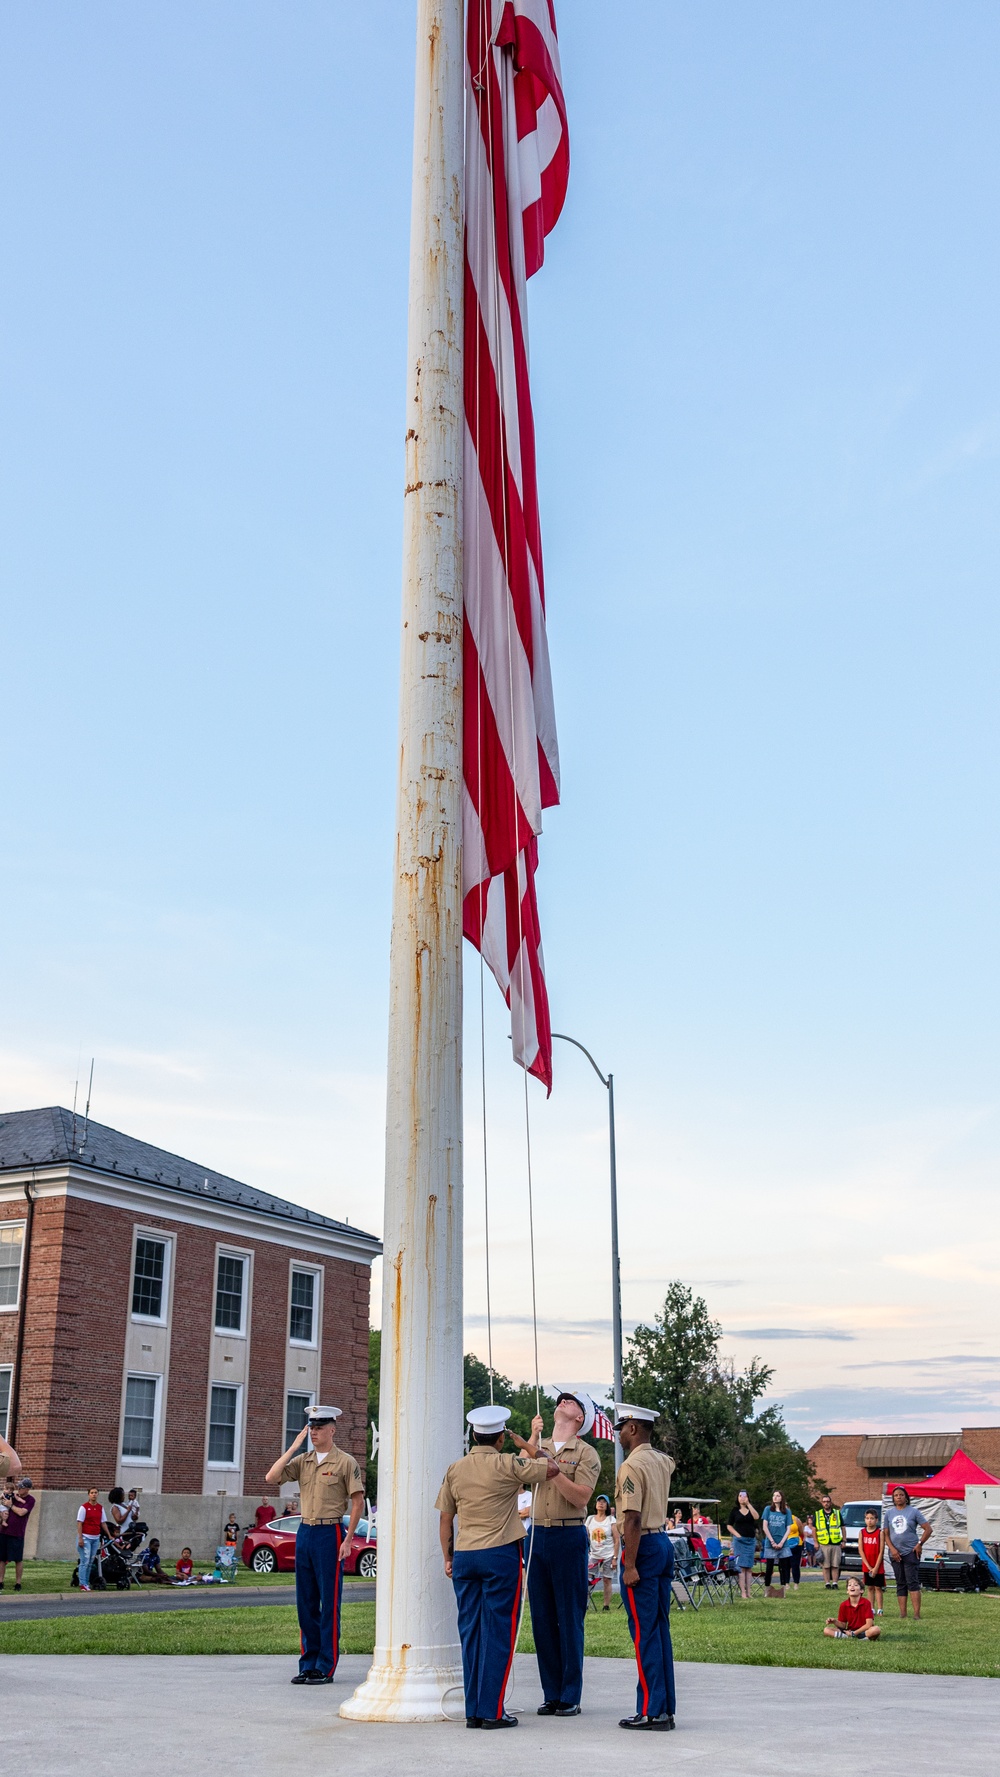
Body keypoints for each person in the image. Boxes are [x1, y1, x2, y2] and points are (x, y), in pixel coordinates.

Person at [436, 1403, 556, 1729]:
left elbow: (446, 1518)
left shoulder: (455, 1468)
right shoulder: (509, 1463)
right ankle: (493, 1710)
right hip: (499, 1553)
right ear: (501, 1437)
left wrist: (448, 1556)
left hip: (464, 1555)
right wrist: (528, 1445)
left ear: (473, 1435)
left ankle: (474, 1710)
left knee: (471, 1633)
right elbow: (552, 1469)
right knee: (498, 1632)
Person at [513, 1387, 601, 1717]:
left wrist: (553, 1469)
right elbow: (517, 1477)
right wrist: (533, 1441)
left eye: (571, 1401)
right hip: (537, 1534)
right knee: (543, 1619)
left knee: (569, 1616)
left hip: (568, 1534)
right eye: (561, 1399)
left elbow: (581, 1498)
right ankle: (551, 1692)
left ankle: (570, 1694)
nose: (563, 1401)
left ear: (580, 1417)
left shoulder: (586, 1452)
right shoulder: (540, 1446)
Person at [265, 1402, 365, 1686]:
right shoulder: (303, 1461)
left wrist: (348, 1539)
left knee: (329, 1601)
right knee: (305, 1602)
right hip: (305, 1532)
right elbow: (272, 1477)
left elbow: (357, 1503)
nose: (314, 1432)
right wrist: (294, 1447)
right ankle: (308, 1663)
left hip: (329, 1532)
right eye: (311, 1427)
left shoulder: (345, 1462)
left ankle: (325, 1665)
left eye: (319, 1428)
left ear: (332, 1430)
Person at [614, 1402, 677, 1732]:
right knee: (659, 1629)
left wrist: (629, 1564)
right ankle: (665, 1707)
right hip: (662, 1542)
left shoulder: (630, 1467)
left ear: (634, 1429)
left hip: (643, 1547)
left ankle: (652, 1710)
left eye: (622, 1428)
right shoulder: (662, 1461)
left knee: (644, 1632)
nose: (619, 1434)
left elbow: (632, 1518)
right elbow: (671, 1462)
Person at [883, 1487, 932, 1620]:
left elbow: (928, 1529)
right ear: (893, 1498)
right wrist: (892, 1549)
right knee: (900, 1582)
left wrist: (919, 1544)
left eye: (901, 1495)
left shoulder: (913, 1512)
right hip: (895, 1553)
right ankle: (903, 1614)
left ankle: (916, 1614)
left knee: (912, 1582)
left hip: (910, 1551)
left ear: (906, 1497)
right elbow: (886, 1534)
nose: (898, 1497)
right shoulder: (889, 1514)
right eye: (896, 1495)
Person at [0, 1478, 35, 1591]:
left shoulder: (30, 1500)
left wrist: (10, 1505)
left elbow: (21, 1512)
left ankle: (18, 1583)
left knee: (18, 1559)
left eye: (22, 1487)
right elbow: (2, 1503)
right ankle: (0, 1581)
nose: (19, 1489)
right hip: (4, 1531)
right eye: (18, 1487)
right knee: (1, 1558)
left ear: (28, 1489)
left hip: (17, 1533)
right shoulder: (11, 1495)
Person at [586, 1495, 620, 1610]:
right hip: (593, 1554)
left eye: (604, 1502)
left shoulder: (611, 1520)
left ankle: (606, 1605)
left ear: (607, 1506)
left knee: (607, 1578)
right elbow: (586, 1537)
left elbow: (616, 1539)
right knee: (587, 1578)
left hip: (608, 1554)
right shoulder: (590, 1519)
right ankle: (585, 1603)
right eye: (599, 1501)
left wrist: (615, 1557)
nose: (601, 1504)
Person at [824, 1574, 881, 1640]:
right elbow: (843, 1625)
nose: (852, 1586)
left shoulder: (866, 1603)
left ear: (861, 1590)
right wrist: (834, 1621)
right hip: (850, 1630)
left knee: (876, 1630)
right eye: (849, 1585)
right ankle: (849, 1637)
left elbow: (869, 1624)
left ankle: (859, 1637)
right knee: (827, 1630)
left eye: (856, 1585)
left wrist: (855, 1633)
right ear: (847, 1591)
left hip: (864, 1630)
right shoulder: (843, 1605)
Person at [726, 1490, 759, 1600]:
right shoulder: (735, 1511)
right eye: (740, 1496)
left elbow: (756, 1517)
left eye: (744, 1496)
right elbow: (729, 1525)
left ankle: (749, 1592)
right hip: (740, 1541)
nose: (742, 1498)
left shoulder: (750, 1510)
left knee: (748, 1567)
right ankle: (743, 1592)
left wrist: (749, 1504)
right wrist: (737, 1535)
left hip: (750, 1540)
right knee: (741, 1567)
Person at [761, 1490, 793, 1597]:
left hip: (783, 1543)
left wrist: (782, 1542)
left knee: (783, 1567)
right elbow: (765, 1526)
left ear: (781, 1498)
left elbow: (788, 1529)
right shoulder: (768, 1510)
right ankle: (767, 1589)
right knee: (769, 1567)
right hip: (770, 1543)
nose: (775, 1497)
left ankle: (783, 1590)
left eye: (778, 1495)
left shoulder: (787, 1512)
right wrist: (772, 1541)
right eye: (773, 1495)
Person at [76, 1487, 109, 1591]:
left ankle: (86, 1581)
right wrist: (80, 1538)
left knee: (91, 1561)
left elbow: (103, 1522)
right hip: (86, 1537)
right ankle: (82, 1583)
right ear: (89, 1495)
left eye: (95, 1493)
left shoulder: (100, 1508)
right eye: (92, 1493)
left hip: (95, 1537)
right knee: (84, 1561)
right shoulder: (84, 1507)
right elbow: (79, 1523)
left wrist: (109, 1534)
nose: (94, 1494)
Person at [859, 1508, 886, 1615]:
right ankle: (871, 1608)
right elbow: (861, 1550)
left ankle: (880, 1608)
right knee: (870, 1587)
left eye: (872, 1518)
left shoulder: (880, 1533)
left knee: (878, 1587)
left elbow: (881, 1551)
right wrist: (869, 1566)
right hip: (867, 1565)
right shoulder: (862, 1532)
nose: (869, 1520)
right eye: (867, 1518)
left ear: (876, 1520)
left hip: (877, 1565)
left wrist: (875, 1567)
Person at [815, 1494, 843, 1588]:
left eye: (828, 1501)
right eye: (824, 1501)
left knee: (835, 1565)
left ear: (830, 1502)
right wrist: (815, 1542)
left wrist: (844, 1540)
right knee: (825, 1565)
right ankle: (827, 1583)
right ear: (822, 1503)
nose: (826, 1503)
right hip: (824, 1543)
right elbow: (814, 1529)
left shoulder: (837, 1513)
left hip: (835, 1543)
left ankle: (835, 1583)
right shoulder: (818, 1514)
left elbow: (843, 1527)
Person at [786, 1508, 803, 1590]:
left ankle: (796, 1583)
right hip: (784, 1544)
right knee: (785, 1565)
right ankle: (786, 1583)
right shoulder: (779, 1520)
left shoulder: (795, 1519)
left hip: (796, 1544)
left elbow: (801, 1531)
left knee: (795, 1565)